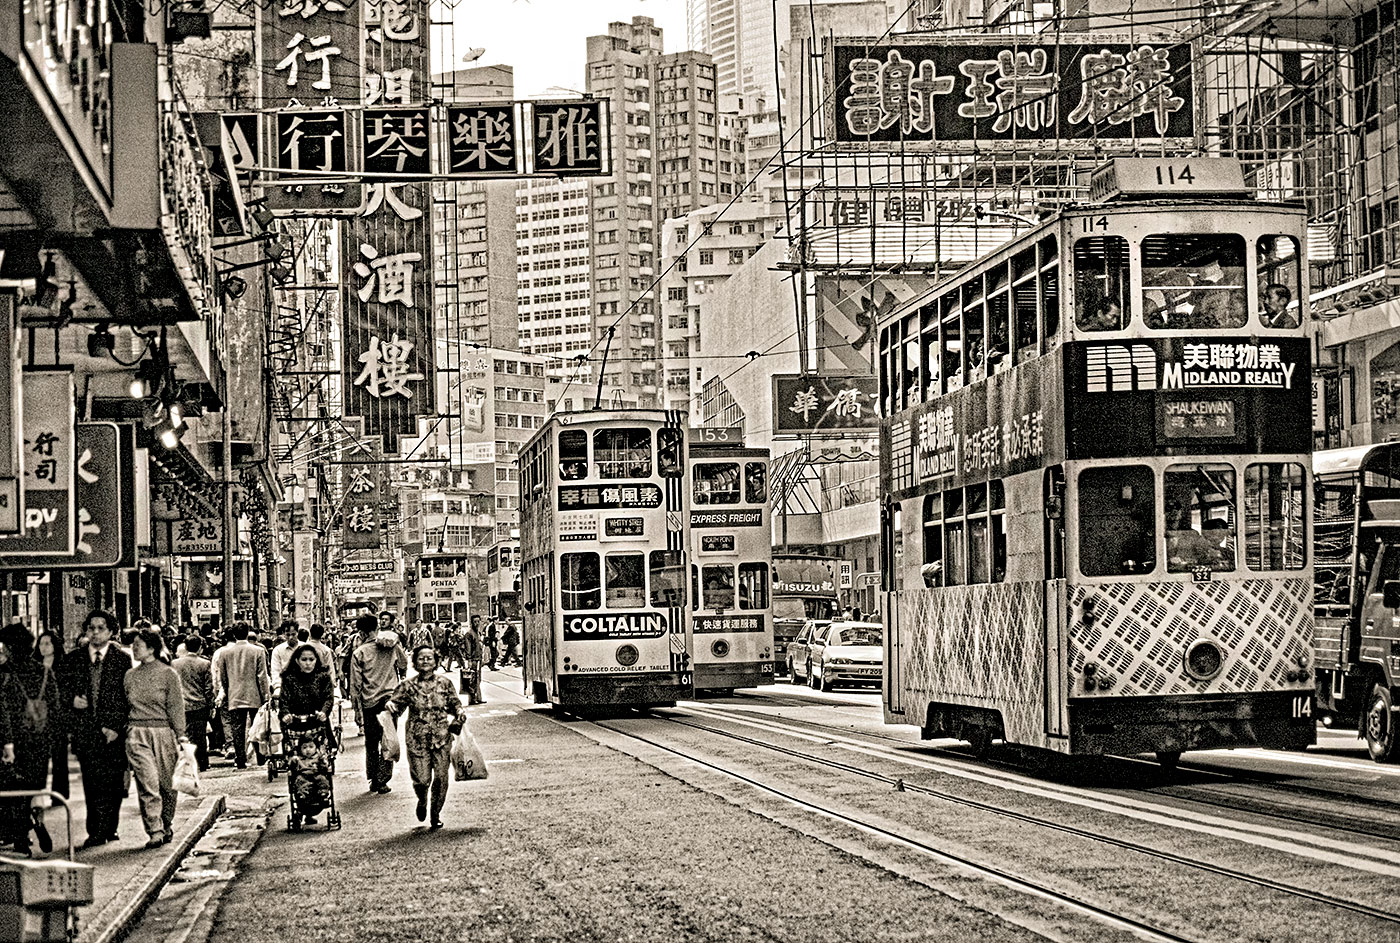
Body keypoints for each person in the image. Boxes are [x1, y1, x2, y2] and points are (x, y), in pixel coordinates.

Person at [59, 610, 132, 849]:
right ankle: (95, 830)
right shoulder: (74, 659)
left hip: (113, 732)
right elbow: (60, 691)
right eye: (92, 628)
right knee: (91, 781)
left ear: (111, 632)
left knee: (113, 782)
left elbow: (126, 697)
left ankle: (110, 826)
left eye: (101, 628)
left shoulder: (122, 660)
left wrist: (115, 726)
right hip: (86, 731)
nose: (96, 632)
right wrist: (72, 701)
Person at [386, 647, 464, 830]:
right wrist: (391, 706)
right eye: (421, 658)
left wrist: (460, 712)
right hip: (417, 739)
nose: (426, 661)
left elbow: (455, 704)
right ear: (415, 662)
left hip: (442, 738)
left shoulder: (445, 683)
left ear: (436, 661)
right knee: (421, 780)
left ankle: (435, 814)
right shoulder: (407, 685)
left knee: (441, 778)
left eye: (429, 658)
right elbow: (396, 704)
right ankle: (422, 799)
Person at [124, 628, 186, 849]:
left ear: (151, 648)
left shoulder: (168, 674)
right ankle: (155, 830)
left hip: (163, 733)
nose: (134, 648)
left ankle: (166, 823)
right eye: (133, 645)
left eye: (138, 644)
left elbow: (176, 707)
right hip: (137, 733)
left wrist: (181, 736)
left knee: (167, 786)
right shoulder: (130, 676)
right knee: (147, 783)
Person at [0, 625, 49, 855]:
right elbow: (55, 707)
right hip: (40, 739)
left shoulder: (4, 672)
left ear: (9, 647)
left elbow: (3, 711)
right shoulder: (43, 671)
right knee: (33, 788)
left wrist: (6, 741)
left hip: (14, 740)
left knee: (14, 792)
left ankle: (21, 838)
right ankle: (37, 820)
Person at [349, 620, 408, 794]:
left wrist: (357, 710)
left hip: (369, 703)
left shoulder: (359, 653)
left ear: (360, 633)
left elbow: (356, 686)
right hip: (389, 701)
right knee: (388, 739)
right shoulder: (391, 645)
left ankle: (374, 779)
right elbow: (404, 664)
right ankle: (383, 779)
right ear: (376, 629)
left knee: (372, 742)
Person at [279, 645, 335, 827]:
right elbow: (284, 701)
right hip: (295, 726)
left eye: (311, 659)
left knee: (321, 767)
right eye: (304, 659)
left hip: (317, 724)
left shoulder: (323, 677)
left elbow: (328, 698)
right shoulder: (289, 679)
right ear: (297, 661)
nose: (308, 663)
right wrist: (286, 714)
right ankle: (300, 804)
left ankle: (322, 795)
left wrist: (324, 712)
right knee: (297, 770)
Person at [215, 623, 269, 769]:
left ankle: (240, 759)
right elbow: (262, 676)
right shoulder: (258, 651)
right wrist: (266, 696)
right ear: (247, 633)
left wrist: (228, 691)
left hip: (234, 694)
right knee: (258, 726)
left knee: (237, 729)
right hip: (254, 695)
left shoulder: (224, 653)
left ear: (233, 635)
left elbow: (223, 677)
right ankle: (261, 757)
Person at [32, 630, 68, 798]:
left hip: (57, 716)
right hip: (38, 716)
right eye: (41, 643)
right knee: (38, 756)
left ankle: (59, 793)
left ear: (55, 645)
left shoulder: (63, 664)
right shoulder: (33, 665)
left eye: (47, 643)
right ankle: (37, 793)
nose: (43, 647)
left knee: (59, 757)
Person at [173, 635, 215, 771]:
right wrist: (211, 704)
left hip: (182, 704)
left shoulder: (175, 664)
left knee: (186, 734)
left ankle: (188, 762)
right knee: (200, 735)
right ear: (200, 648)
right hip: (200, 704)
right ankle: (202, 762)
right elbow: (208, 687)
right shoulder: (204, 663)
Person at [459, 622, 484, 705]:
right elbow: (468, 647)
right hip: (474, 659)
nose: (477, 623)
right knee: (472, 679)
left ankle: (478, 697)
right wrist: (469, 659)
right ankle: (472, 698)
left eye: (478, 621)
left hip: (478, 658)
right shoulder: (469, 634)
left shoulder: (477, 633)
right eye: (475, 621)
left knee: (477, 679)